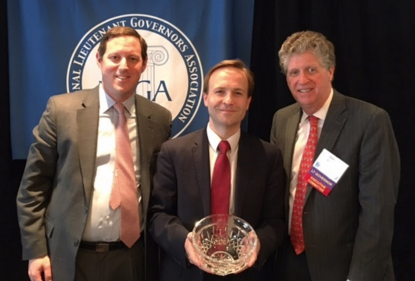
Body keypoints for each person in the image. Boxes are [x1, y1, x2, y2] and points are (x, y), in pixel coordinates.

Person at [16, 26, 172, 281]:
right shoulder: (61, 111)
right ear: (99, 60)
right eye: (115, 57)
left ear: (144, 65)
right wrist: (36, 251)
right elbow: (33, 186)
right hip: (70, 255)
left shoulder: (159, 118)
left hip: (134, 258)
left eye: (133, 59)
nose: (124, 66)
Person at [270, 30, 400, 281]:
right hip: (289, 263)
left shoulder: (369, 120)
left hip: (346, 268)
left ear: (330, 71)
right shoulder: (282, 120)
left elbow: (378, 212)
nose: (302, 80)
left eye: (311, 70)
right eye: (293, 72)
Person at [149, 59, 285, 281]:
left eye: (238, 93)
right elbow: (158, 215)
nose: (228, 100)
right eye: (220, 91)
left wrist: (258, 244)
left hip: (246, 274)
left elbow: (275, 221)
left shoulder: (268, 156)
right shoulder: (174, 152)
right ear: (205, 98)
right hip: (187, 273)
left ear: (248, 101)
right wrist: (185, 242)